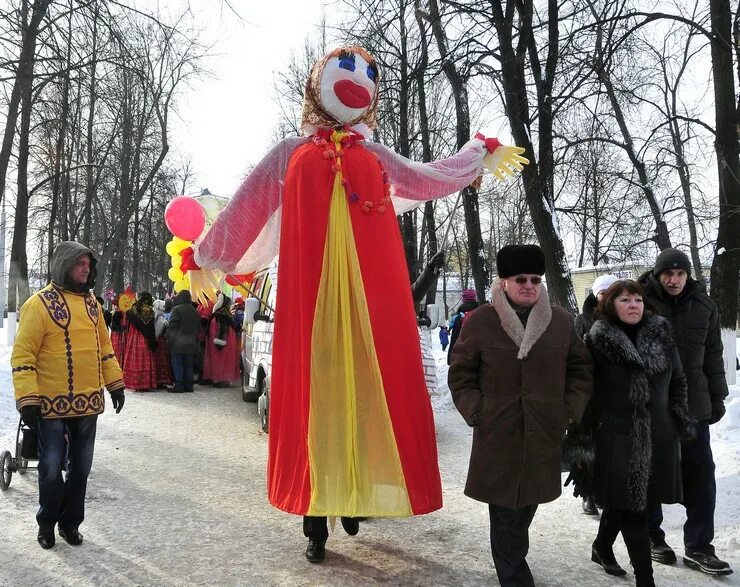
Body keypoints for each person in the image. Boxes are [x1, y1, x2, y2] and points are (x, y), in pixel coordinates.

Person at [448, 244, 593, 587]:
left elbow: (581, 371)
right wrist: (477, 410)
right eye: (520, 279)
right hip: (498, 431)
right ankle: (515, 576)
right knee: (505, 509)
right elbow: (461, 372)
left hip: (544, 431)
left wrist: (567, 412)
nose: (529, 285)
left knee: (525, 505)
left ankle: (513, 557)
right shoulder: (482, 320)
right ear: (504, 282)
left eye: (535, 279)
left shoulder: (560, 321)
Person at [11, 241, 125, 549]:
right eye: (80, 264)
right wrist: (28, 399)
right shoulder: (38, 304)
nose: (86, 269)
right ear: (64, 265)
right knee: (50, 468)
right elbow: (23, 355)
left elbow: (105, 348)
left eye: (89, 265)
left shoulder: (92, 305)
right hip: (49, 405)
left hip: (88, 403)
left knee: (81, 469)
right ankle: (46, 523)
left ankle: (70, 523)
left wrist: (115, 383)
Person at [583, 280, 696, 587]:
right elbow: (586, 390)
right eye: (625, 300)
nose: (634, 305)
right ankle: (646, 580)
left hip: (659, 433)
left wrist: (679, 416)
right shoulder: (597, 340)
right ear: (610, 305)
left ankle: (602, 546)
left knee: (626, 503)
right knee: (635, 508)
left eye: (637, 299)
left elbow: (679, 381)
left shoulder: (660, 333)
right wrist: (585, 433)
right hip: (616, 436)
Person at [637, 248, 732, 575]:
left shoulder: (704, 305)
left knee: (702, 474)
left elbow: (713, 356)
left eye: (680, 273)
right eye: (668, 273)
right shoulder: (640, 303)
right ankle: (652, 537)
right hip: (652, 406)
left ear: (687, 274)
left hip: (694, 406)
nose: (674, 279)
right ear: (657, 274)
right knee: (650, 474)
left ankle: (699, 547)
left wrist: (718, 397)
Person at [573, 273, 619, 516]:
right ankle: (589, 493)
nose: (606, 298)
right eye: (602, 293)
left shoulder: (624, 318)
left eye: (612, 293)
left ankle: (606, 491)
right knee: (588, 446)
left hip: (617, 394)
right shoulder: (583, 320)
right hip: (590, 393)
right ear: (595, 295)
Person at [166, 289, 201, 393]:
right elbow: (199, 328)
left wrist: (170, 340)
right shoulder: (195, 311)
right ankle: (189, 385)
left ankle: (179, 385)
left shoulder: (177, 309)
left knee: (178, 364)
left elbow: (172, 327)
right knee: (188, 364)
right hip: (191, 342)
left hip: (178, 342)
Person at [202, 293, 240, 387]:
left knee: (220, 361)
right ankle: (221, 379)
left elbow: (222, 330)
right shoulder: (225, 314)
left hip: (220, 342)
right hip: (223, 342)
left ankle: (221, 379)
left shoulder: (221, 315)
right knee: (223, 361)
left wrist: (219, 341)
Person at [122, 292, 158, 391]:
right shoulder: (149, 310)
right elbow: (150, 326)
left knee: (135, 358)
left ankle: (135, 382)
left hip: (134, 336)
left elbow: (127, 324)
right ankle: (145, 383)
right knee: (145, 357)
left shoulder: (132, 309)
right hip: (145, 338)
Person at [446, 289, 479, 365]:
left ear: (463, 300)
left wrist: (450, 359)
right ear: (474, 298)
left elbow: (454, 340)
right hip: (478, 359)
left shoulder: (459, 317)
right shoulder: (482, 315)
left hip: (462, 359)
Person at [153, 299, 173, 389]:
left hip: (156, 340)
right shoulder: (160, 316)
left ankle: (157, 379)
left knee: (157, 359)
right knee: (162, 359)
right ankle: (161, 379)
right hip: (160, 340)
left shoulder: (154, 314)